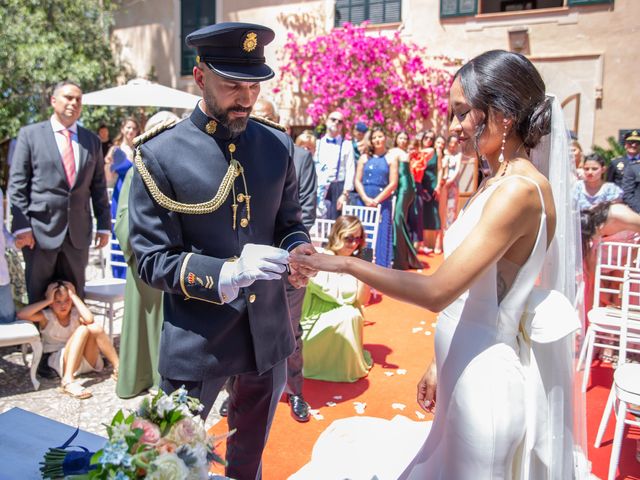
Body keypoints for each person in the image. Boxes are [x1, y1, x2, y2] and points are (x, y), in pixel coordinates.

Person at [292, 49, 584, 479]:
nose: (453, 127)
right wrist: (438, 364)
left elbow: (436, 292)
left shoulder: (518, 192)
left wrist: (345, 265)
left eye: (462, 113)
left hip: (484, 386)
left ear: (501, 112)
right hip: (464, 369)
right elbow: (477, 292)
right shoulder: (498, 181)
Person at [128, 22, 316, 480]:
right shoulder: (161, 154)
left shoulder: (276, 145)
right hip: (198, 340)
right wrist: (225, 274)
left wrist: (299, 249)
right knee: (169, 460)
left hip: (268, 333)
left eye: (253, 85)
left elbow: (289, 221)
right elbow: (150, 259)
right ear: (199, 77)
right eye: (232, 84)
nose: (246, 98)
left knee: (247, 463)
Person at [8, 80, 111, 302]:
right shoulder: (30, 135)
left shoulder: (91, 140)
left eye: (78, 99)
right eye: (68, 97)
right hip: (39, 233)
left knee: (75, 299)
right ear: (53, 100)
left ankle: (75, 338)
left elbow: (99, 187)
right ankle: (38, 338)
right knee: (39, 299)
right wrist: (21, 226)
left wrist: (104, 226)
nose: (74, 103)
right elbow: (17, 184)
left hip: (78, 234)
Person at [253, 97, 318, 422]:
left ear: (279, 124)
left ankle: (294, 391)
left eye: (266, 119)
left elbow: (304, 211)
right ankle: (236, 390)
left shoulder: (301, 157)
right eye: (255, 119)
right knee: (242, 327)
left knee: (291, 330)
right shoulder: (241, 154)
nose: (259, 124)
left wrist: (291, 257)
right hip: (249, 265)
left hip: (289, 261)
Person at [114, 112, 176, 399]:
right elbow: (124, 217)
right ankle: (141, 377)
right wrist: (146, 249)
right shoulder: (135, 171)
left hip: (177, 262)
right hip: (145, 262)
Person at [17, 281, 119, 399]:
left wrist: (74, 296)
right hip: (60, 362)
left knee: (93, 327)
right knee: (83, 330)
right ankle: (67, 381)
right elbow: (21, 314)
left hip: (84, 361)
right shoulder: (47, 316)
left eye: (67, 300)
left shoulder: (75, 314)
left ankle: (118, 368)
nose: (63, 305)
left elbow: (89, 319)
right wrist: (48, 300)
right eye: (57, 301)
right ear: (51, 303)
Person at [300, 215, 372, 382]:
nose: (354, 243)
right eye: (349, 238)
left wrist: (367, 271)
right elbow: (328, 291)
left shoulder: (356, 262)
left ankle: (344, 367)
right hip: (316, 315)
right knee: (349, 315)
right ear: (337, 235)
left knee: (352, 314)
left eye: (359, 239)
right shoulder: (322, 257)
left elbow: (361, 299)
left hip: (344, 311)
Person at [354, 126, 397, 268]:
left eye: (380, 136)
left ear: (385, 138)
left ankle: (380, 270)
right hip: (364, 201)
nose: (377, 140)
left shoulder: (391, 157)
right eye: (374, 137)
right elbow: (357, 181)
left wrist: (377, 200)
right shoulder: (364, 157)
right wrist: (365, 198)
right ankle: (365, 268)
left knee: (380, 235)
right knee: (365, 235)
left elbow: (393, 184)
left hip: (382, 203)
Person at [106, 117, 141, 279]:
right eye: (128, 127)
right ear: (122, 129)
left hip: (136, 193)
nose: (130, 131)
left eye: (133, 128)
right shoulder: (115, 150)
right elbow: (107, 177)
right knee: (119, 229)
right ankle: (118, 273)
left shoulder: (141, 148)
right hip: (119, 193)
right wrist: (108, 164)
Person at [315, 110, 356, 219]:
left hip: (337, 188)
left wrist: (344, 194)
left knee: (335, 222)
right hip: (319, 186)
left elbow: (350, 170)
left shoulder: (347, 145)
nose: (336, 123)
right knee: (317, 222)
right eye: (333, 119)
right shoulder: (317, 143)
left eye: (340, 121)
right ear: (326, 121)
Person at [392, 142, 423, 270]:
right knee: (398, 222)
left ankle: (401, 260)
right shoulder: (393, 152)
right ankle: (402, 257)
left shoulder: (403, 154)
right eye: (401, 137)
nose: (404, 140)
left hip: (404, 189)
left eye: (406, 138)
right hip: (398, 189)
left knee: (398, 221)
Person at [410, 131, 439, 254]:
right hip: (415, 184)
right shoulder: (415, 152)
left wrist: (414, 151)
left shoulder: (429, 151)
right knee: (414, 216)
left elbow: (428, 153)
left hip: (426, 185)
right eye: (426, 137)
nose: (428, 140)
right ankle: (416, 245)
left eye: (431, 138)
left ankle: (426, 245)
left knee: (426, 215)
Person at [436, 134, 462, 230]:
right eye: (451, 142)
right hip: (443, 183)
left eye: (455, 143)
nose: (453, 145)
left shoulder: (458, 155)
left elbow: (457, 169)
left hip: (453, 183)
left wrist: (451, 180)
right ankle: (440, 231)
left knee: (451, 207)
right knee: (441, 207)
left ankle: (449, 230)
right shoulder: (444, 153)